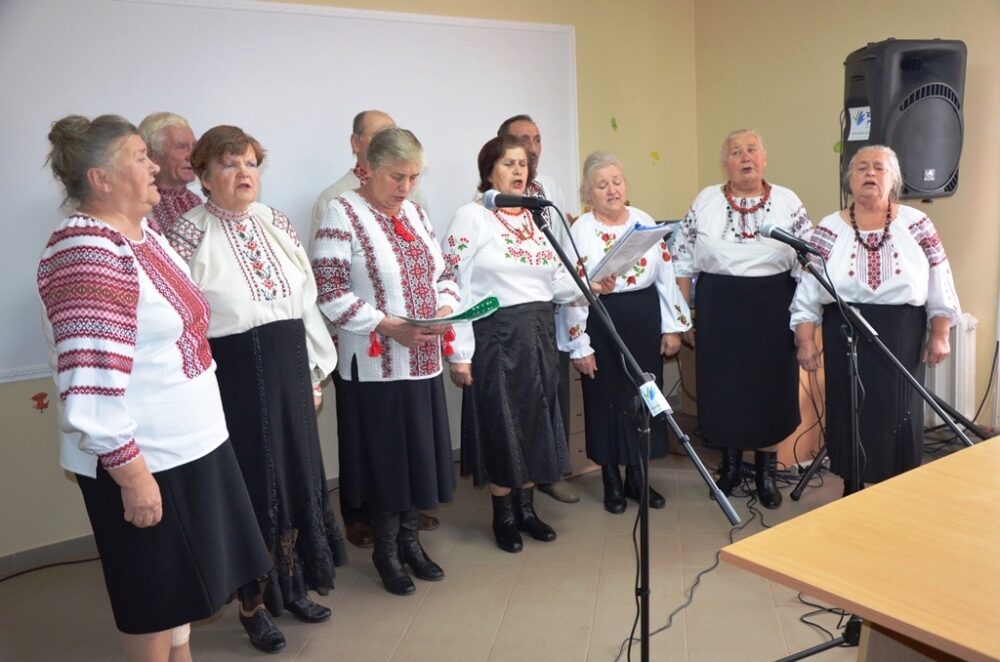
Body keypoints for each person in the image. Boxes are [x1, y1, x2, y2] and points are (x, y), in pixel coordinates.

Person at [37, 114, 271, 662]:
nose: (154, 167)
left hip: (189, 447)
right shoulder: (87, 251)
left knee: (181, 594)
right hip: (147, 460)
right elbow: (90, 381)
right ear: (100, 178)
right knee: (153, 596)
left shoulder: (143, 237)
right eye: (139, 157)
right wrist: (133, 477)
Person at [165, 125, 345, 652]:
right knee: (250, 490)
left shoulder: (275, 221)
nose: (243, 173)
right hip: (234, 378)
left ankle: (292, 585)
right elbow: (181, 322)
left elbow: (305, 301)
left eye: (250, 163)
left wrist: (313, 371)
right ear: (203, 176)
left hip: (288, 368)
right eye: (229, 164)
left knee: (295, 478)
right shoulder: (186, 234)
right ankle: (254, 605)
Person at [442, 135, 612, 553]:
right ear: (488, 172)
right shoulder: (472, 216)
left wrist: (588, 287)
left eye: (523, 164)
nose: (518, 170)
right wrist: (459, 352)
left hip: (539, 333)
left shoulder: (536, 218)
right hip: (496, 334)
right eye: (508, 163)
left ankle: (527, 510)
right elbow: (453, 284)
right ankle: (503, 514)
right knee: (504, 423)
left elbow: (555, 283)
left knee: (537, 420)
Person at [311, 127, 457, 596]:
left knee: (417, 458)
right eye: (397, 176)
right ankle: (387, 551)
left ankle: (411, 543)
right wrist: (386, 325)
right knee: (386, 462)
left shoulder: (415, 213)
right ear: (369, 168)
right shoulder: (342, 212)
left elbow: (444, 274)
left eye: (413, 176)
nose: (406, 186)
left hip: (422, 362)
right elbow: (329, 291)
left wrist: (444, 308)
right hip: (374, 368)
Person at [791, 145, 960, 489]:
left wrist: (940, 332)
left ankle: (897, 489)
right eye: (862, 167)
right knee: (848, 408)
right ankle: (852, 485)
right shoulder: (828, 227)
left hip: (901, 332)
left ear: (893, 179)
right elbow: (808, 289)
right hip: (843, 330)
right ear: (849, 179)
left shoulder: (917, 223)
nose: (870, 173)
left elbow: (939, 279)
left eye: (879, 168)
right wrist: (805, 339)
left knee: (898, 412)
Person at [673, 129, 811, 509]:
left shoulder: (788, 201)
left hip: (773, 306)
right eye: (735, 152)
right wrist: (683, 319)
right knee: (725, 389)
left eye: (752, 150)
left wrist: (805, 326)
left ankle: (766, 472)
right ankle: (731, 468)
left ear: (764, 158)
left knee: (770, 387)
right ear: (725, 164)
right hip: (720, 308)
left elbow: (808, 261)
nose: (745, 157)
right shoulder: (705, 200)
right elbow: (681, 260)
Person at [561, 152, 691, 513]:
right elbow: (572, 288)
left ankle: (638, 477)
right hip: (600, 320)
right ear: (588, 194)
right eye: (602, 185)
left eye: (616, 182)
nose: (612, 190)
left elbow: (665, 275)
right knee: (605, 400)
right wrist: (579, 344)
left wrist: (672, 327)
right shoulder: (581, 230)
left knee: (644, 396)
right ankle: (611, 480)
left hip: (643, 318)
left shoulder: (642, 221)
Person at [497, 113, 578, 504]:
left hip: (553, 304)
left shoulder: (550, 188)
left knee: (553, 390)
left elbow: (560, 242)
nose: (532, 148)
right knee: (521, 401)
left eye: (537, 139)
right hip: (511, 318)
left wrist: (578, 286)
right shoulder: (487, 204)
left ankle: (551, 472)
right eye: (522, 141)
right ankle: (517, 485)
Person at [137, 112, 200, 234]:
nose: (192, 156)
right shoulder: (138, 207)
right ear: (151, 155)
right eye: (181, 147)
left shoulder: (198, 201)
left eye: (194, 146)